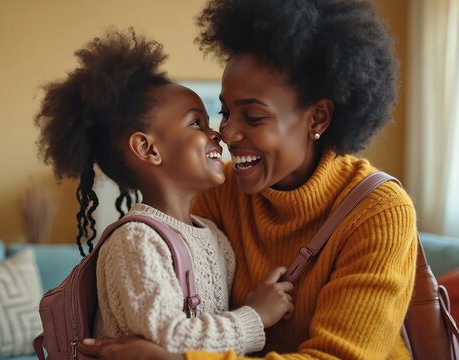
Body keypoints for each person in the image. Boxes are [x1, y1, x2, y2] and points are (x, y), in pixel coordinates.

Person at [77, 0, 418, 359]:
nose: (227, 133)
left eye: (253, 117)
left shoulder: (379, 213)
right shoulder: (219, 194)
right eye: (225, 112)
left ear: (317, 118)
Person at [34, 28, 295, 355]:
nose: (218, 134)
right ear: (147, 148)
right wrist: (255, 316)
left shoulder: (215, 237)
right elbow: (167, 341)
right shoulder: (136, 242)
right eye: (196, 123)